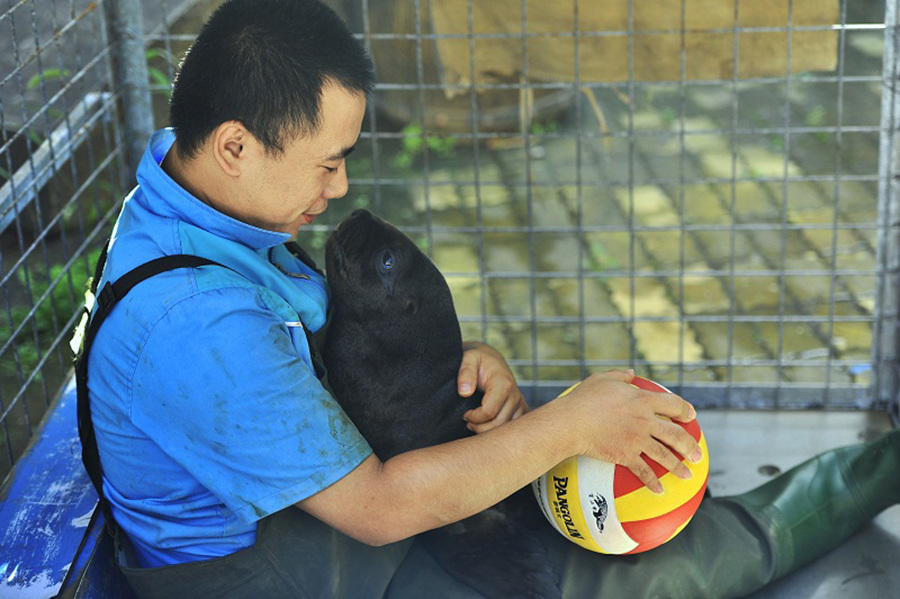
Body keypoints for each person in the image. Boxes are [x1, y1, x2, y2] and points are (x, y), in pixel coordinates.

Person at [80, 0, 900, 597]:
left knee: (630, 532)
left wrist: (464, 370)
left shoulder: (196, 187)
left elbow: (308, 373)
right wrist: (568, 425)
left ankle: (870, 472)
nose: (339, 186)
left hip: (336, 518)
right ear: (234, 145)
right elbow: (374, 508)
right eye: (327, 163)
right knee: (636, 574)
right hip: (287, 569)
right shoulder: (193, 323)